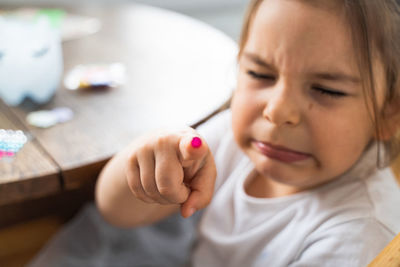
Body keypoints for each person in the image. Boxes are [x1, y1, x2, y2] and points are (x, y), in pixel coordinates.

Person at [32, 0, 400, 266]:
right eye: (260, 74)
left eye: (327, 90)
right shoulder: (239, 141)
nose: (277, 112)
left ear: (389, 113)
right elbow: (114, 212)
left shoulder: (357, 237)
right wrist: (142, 162)